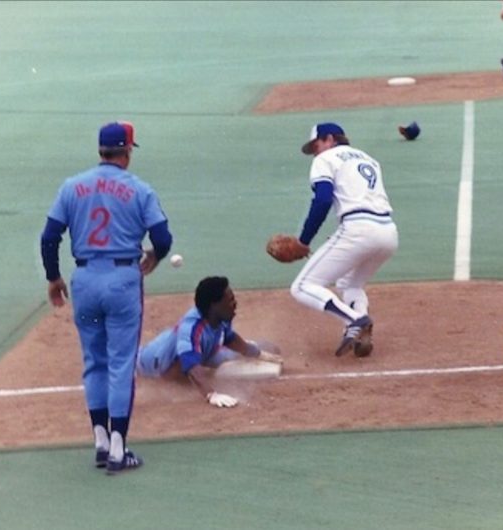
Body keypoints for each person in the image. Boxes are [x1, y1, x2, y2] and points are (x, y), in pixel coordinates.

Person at [40, 121, 173, 474]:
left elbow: (49, 237)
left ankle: (100, 440)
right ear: (127, 151)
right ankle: (118, 449)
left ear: (101, 150)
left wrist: (54, 277)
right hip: (122, 281)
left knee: (94, 361)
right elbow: (162, 237)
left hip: (84, 280)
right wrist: (154, 257)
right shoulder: (140, 189)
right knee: (120, 364)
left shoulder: (72, 186)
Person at [288, 123, 398, 358]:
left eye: (316, 145)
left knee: (302, 287)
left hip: (358, 229)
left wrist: (304, 240)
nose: (316, 152)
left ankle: (355, 319)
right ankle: (360, 332)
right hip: (388, 232)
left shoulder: (326, 158)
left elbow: (322, 201)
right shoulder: (369, 159)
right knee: (350, 284)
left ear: (329, 139)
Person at [137, 276, 283, 408]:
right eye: (230, 300)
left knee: (245, 352)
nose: (235, 304)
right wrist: (211, 394)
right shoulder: (191, 329)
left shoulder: (220, 317)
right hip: (153, 365)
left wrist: (257, 353)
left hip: (204, 351)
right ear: (214, 305)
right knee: (188, 370)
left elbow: (229, 338)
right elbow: (189, 365)